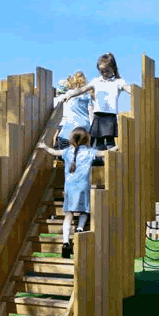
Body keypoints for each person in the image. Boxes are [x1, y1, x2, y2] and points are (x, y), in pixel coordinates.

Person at [37, 127, 94, 259]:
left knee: (68, 215)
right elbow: (104, 153)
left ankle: (65, 242)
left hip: (69, 188)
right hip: (83, 187)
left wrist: (44, 146)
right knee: (85, 211)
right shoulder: (89, 152)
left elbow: (54, 152)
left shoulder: (67, 151)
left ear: (72, 139)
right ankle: (79, 228)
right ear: (87, 139)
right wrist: (118, 147)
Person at [87, 53, 133, 154]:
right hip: (98, 115)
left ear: (113, 68)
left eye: (107, 70)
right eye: (101, 71)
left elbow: (129, 89)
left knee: (110, 142)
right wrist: (69, 94)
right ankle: (98, 161)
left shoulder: (118, 81)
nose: (104, 73)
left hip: (110, 116)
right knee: (97, 143)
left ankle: (112, 160)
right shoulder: (96, 81)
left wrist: (138, 92)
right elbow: (83, 89)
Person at [53, 71, 94, 150]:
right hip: (84, 128)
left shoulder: (70, 93)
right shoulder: (88, 96)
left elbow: (59, 100)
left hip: (69, 129)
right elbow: (91, 113)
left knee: (62, 148)